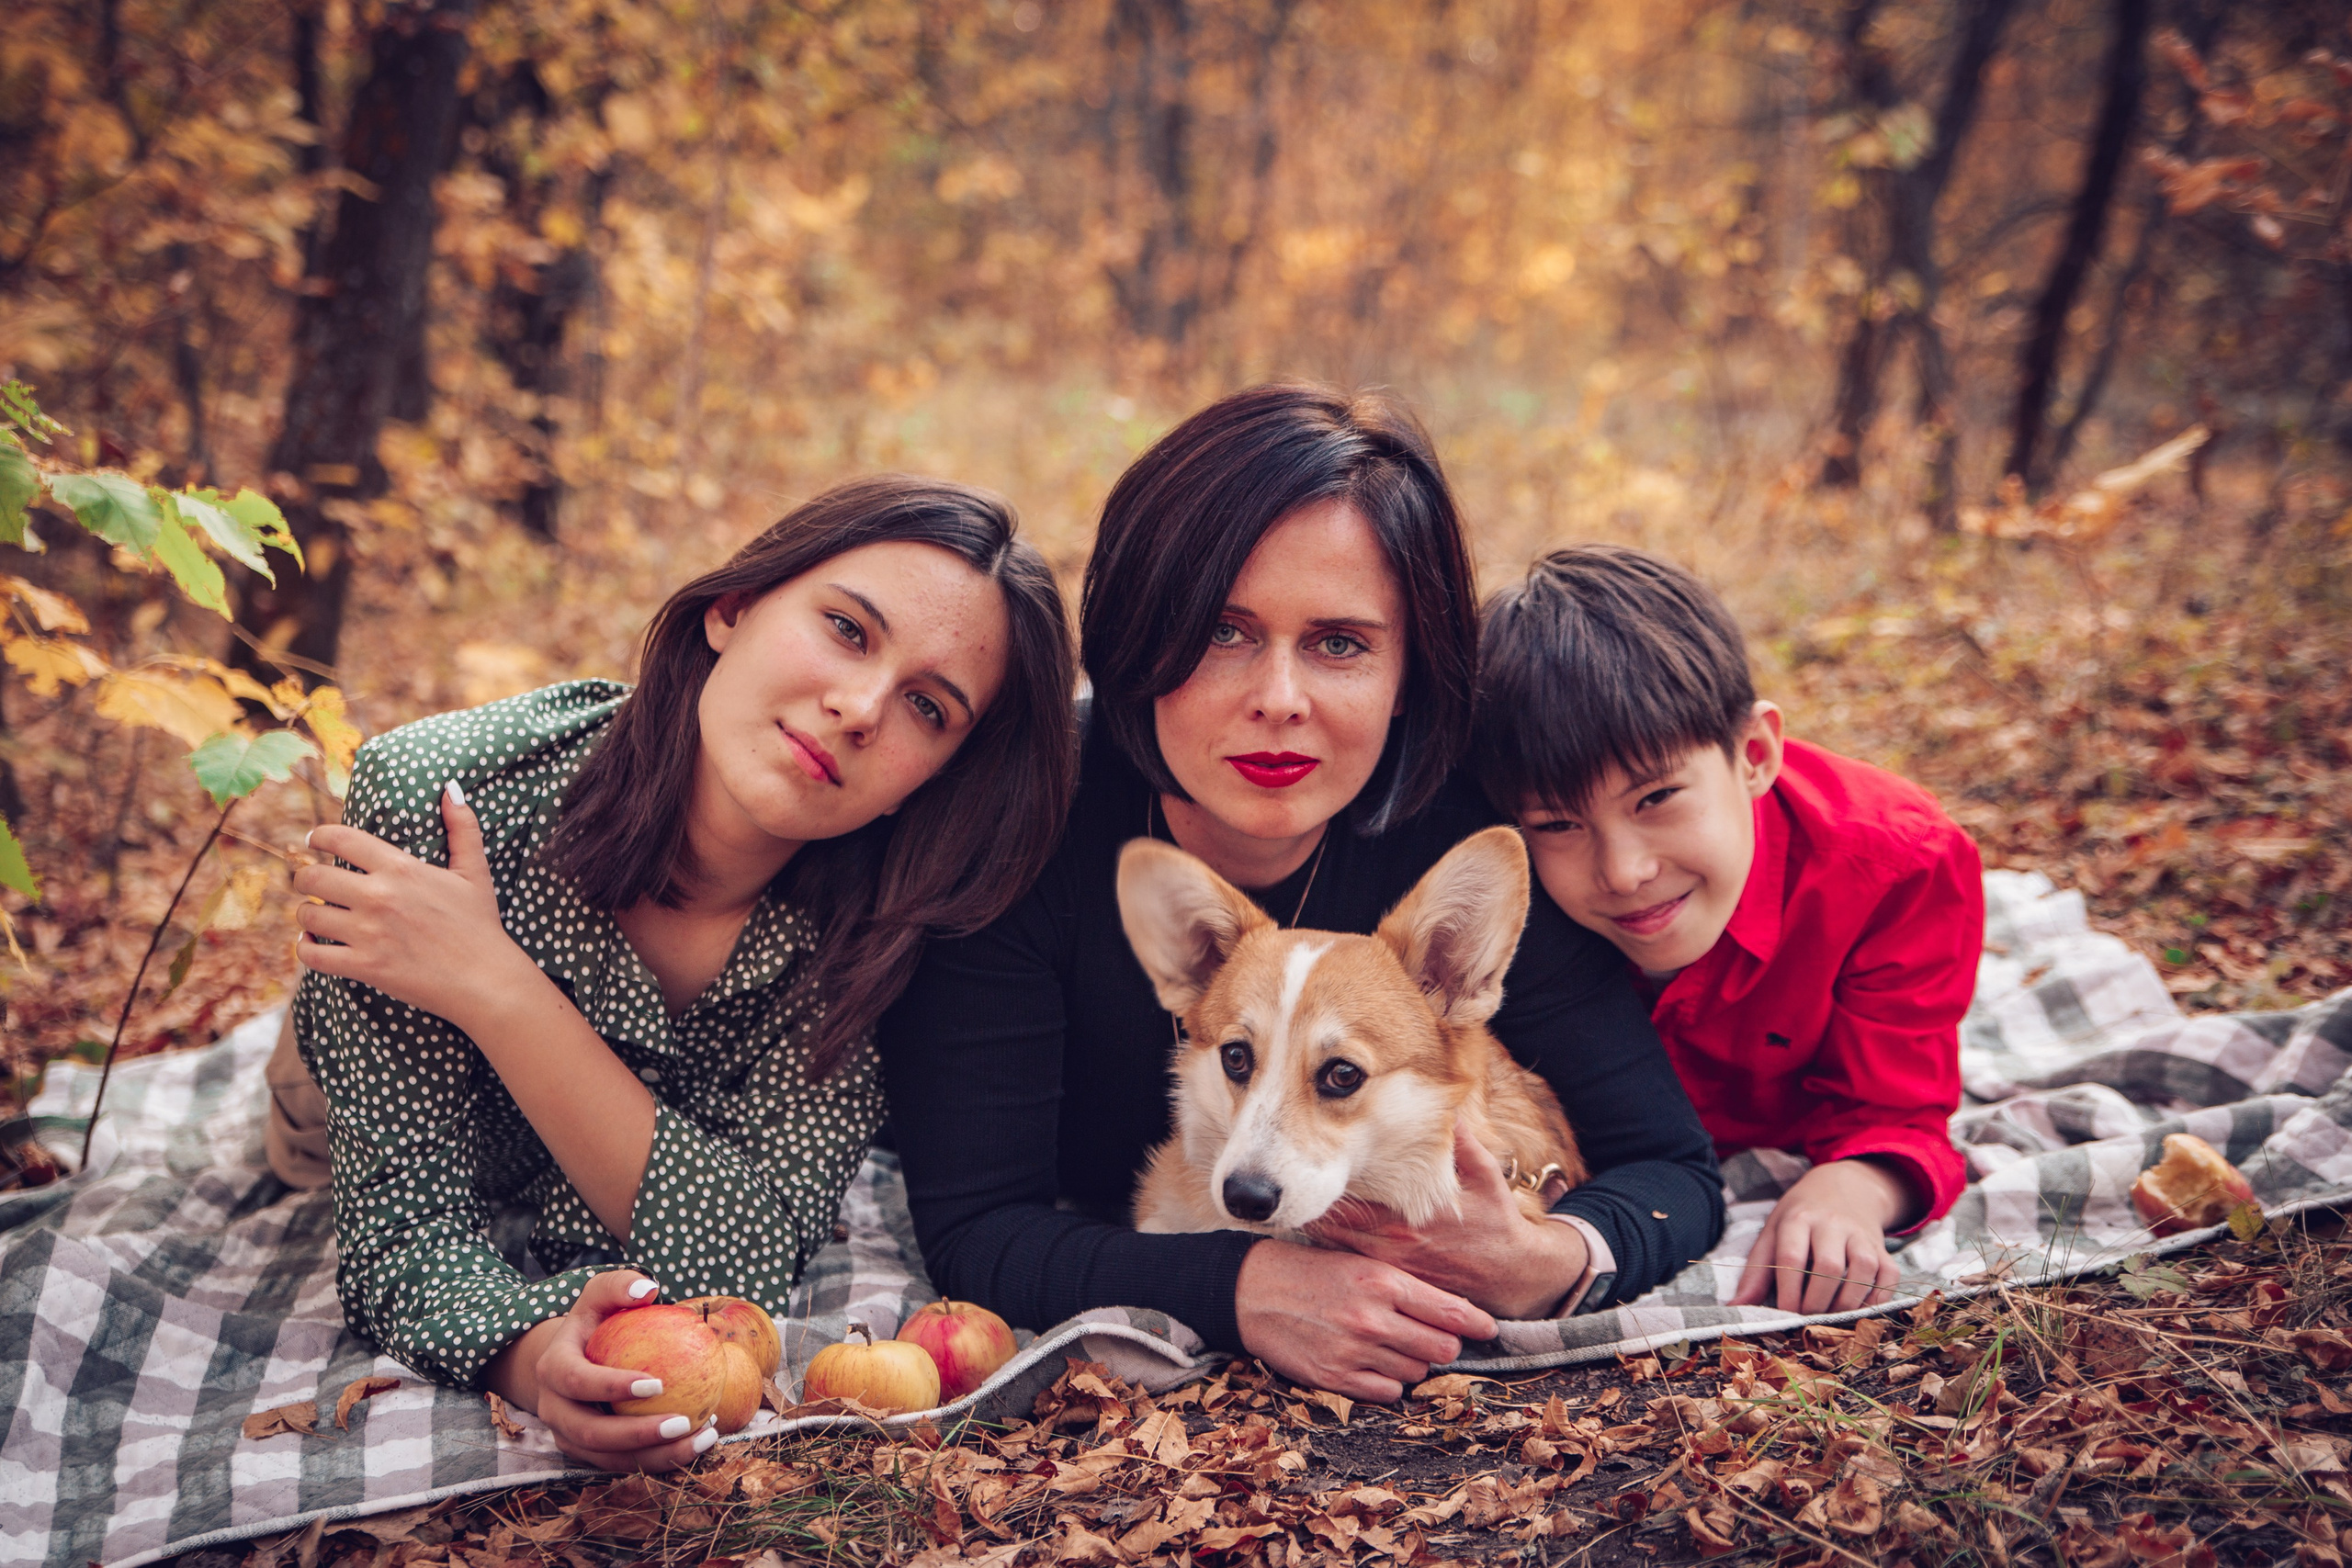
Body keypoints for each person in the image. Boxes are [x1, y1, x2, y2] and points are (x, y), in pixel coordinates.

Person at [879, 385, 1724, 1403]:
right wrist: (1237, 1284)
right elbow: (977, 1228)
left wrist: (1546, 1261)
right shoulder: (1021, 823)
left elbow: (1670, 1167)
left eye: (1339, 644)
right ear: (1135, 636)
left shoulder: (1457, 842)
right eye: (1223, 632)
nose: (1279, 699)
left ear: (1412, 669)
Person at [286, 476, 1076, 1471]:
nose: (861, 707)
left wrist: (495, 987)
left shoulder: (881, 937)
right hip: (349, 1084)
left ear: (938, 775)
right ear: (732, 608)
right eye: (844, 629)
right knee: (303, 1132)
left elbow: (740, 1262)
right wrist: (526, 1349)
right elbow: (401, 1235)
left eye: (928, 706)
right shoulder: (441, 802)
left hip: (546, 1072)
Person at [1472, 544, 1982, 1317]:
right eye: (1560, 822)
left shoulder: (1900, 866)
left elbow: (1899, 1111)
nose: (1623, 871)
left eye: (1657, 798)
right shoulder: (1509, 898)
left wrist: (1852, 1185)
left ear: (1754, 753)